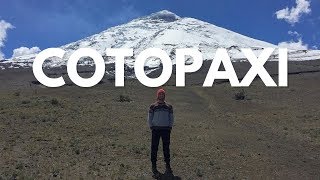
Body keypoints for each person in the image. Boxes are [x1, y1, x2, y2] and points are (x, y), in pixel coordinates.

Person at [148, 88, 174, 177]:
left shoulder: (169, 106)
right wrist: (151, 126)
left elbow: (171, 118)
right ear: (157, 95)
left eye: (162, 94)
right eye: (160, 94)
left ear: (164, 96)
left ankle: (167, 165)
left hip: (166, 130)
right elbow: (150, 117)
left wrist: (170, 126)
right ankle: (154, 166)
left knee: (166, 148)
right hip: (155, 130)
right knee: (154, 148)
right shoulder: (153, 106)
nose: (161, 96)